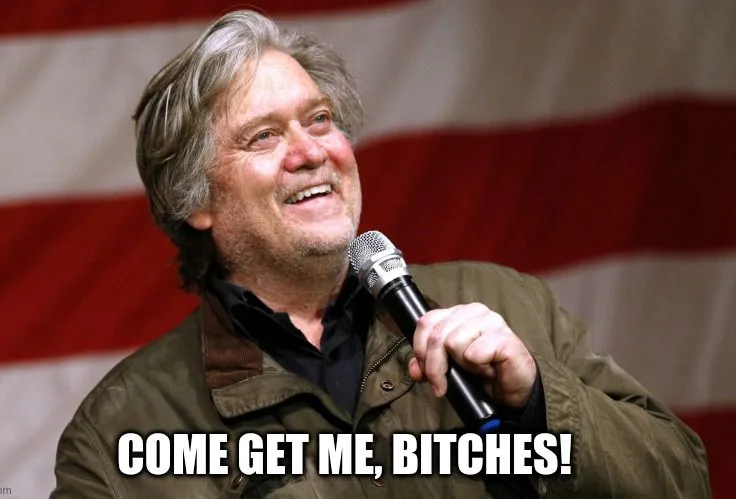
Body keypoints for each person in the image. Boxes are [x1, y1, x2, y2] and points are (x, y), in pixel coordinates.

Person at [51, 10, 711, 498]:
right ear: (195, 199)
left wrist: (537, 401)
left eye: (319, 119)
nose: (312, 150)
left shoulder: (508, 305)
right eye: (263, 136)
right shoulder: (119, 434)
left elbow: (684, 478)